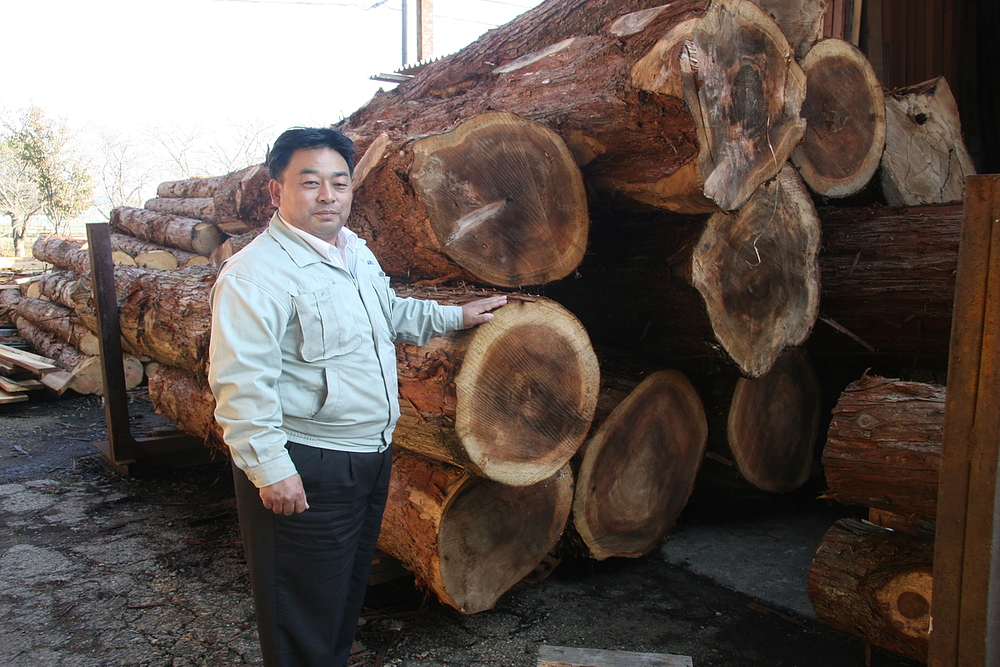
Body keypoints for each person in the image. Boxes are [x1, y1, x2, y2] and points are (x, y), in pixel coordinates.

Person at [207, 126, 506, 667]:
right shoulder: (255, 275)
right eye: (311, 182)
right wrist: (271, 469)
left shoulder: (353, 252)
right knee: (299, 615)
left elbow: (386, 314)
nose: (328, 196)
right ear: (277, 192)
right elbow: (239, 384)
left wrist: (453, 316)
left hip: (368, 454)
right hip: (306, 462)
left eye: (339, 183)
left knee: (341, 602)